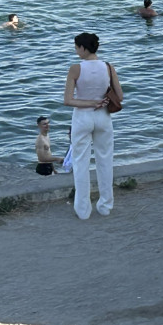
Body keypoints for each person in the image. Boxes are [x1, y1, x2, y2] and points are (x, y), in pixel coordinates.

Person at [62, 32, 121, 220]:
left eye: (76, 47)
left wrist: (89, 103)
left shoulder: (75, 69)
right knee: (105, 160)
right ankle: (105, 206)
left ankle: (83, 210)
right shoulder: (108, 67)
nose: (75, 51)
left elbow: (68, 100)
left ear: (83, 48)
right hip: (103, 117)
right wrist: (100, 102)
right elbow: (119, 96)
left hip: (82, 118)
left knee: (81, 162)